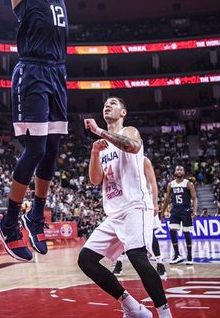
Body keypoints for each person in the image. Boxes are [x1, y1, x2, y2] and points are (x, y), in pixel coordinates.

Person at [0, 0, 102, 261]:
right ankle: (8, 222)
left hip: (57, 73)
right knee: (35, 150)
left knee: (52, 150)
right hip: (32, 71)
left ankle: (35, 216)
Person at [79, 97, 173, 318]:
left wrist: (100, 132)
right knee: (86, 259)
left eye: (113, 103)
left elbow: (132, 146)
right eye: (104, 104)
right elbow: (95, 180)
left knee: (137, 255)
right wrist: (94, 152)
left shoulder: (130, 131)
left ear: (123, 112)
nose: (107, 106)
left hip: (134, 207)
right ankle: (131, 305)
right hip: (114, 213)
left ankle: (165, 313)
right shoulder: (101, 147)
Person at [112, 157, 166, 277]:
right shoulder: (122, 161)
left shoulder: (144, 160)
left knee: (150, 234)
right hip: (128, 203)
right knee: (123, 235)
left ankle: (160, 263)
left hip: (145, 201)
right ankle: (119, 263)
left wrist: (155, 203)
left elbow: (153, 183)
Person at [161, 165, 197, 265]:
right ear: (175, 172)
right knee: (172, 231)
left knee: (186, 232)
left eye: (181, 170)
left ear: (184, 172)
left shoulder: (188, 184)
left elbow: (194, 198)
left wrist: (195, 210)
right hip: (175, 210)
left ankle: (189, 256)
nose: (179, 171)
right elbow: (167, 199)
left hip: (185, 210)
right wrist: (163, 211)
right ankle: (177, 255)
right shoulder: (170, 184)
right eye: (177, 170)